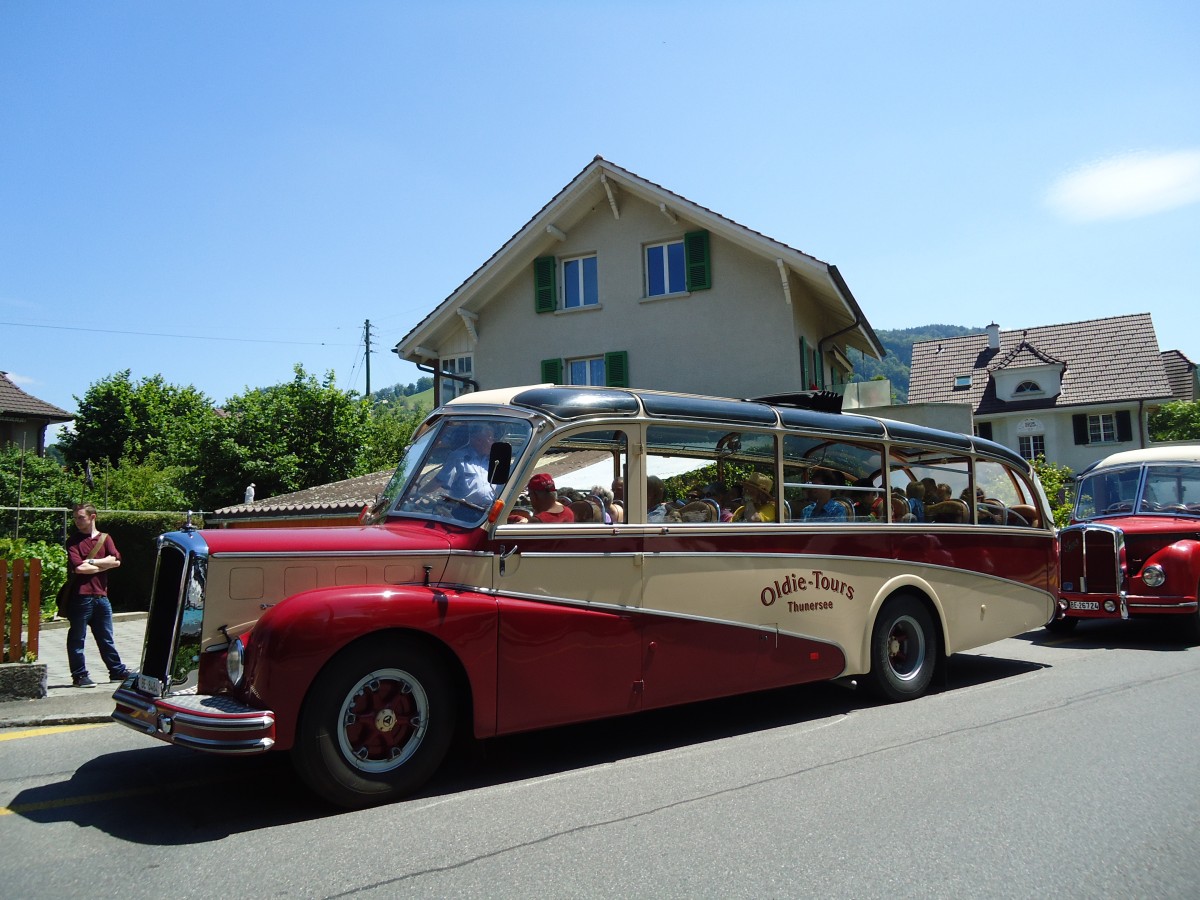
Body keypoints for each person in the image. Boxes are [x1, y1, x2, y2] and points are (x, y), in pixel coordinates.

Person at [64, 503, 131, 688]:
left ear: (92, 517)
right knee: (77, 638)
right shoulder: (73, 541)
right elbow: (79, 568)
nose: (77, 521)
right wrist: (104, 564)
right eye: (75, 518)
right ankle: (79, 675)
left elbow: (116, 561)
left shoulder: (105, 538)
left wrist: (92, 561)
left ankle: (116, 671)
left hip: (101, 596)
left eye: (81, 517)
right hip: (81, 597)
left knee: (106, 637)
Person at [435, 423, 497, 513]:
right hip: (465, 511)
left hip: (490, 511)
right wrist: (419, 494)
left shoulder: (493, 460)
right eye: (490, 439)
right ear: (477, 440)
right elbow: (439, 480)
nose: (493, 443)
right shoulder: (459, 457)